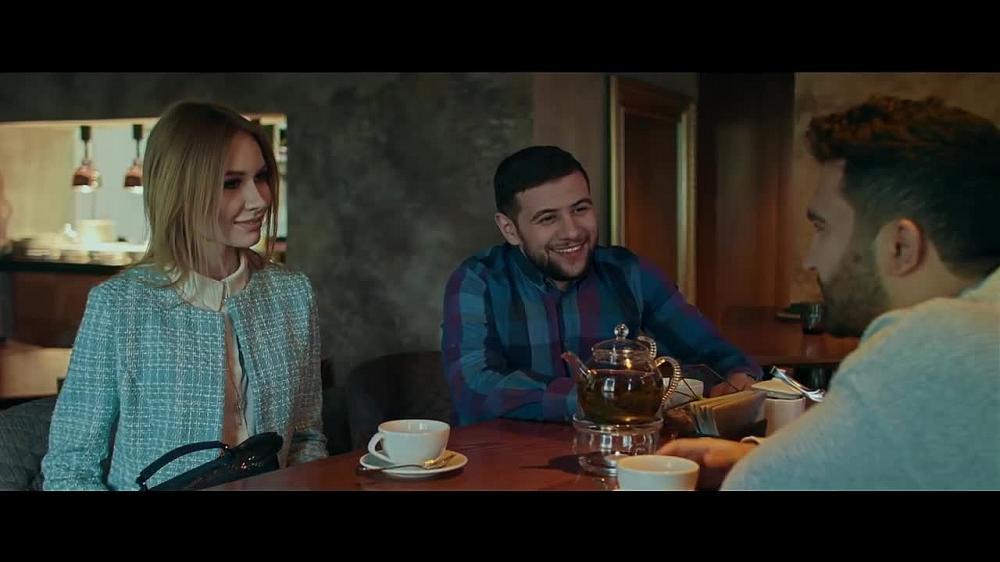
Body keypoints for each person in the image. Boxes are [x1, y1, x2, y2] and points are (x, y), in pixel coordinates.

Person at [659, 96, 1000, 490]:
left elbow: (756, 485)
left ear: (900, 246)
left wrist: (758, 469)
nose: (810, 259)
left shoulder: (934, 340)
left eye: (822, 228)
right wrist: (757, 456)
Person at [43, 100, 327, 490]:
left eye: (261, 177)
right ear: (180, 189)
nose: (260, 199)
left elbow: (307, 438)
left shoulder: (292, 294)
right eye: (232, 183)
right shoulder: (119, 306)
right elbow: (69, 468)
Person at [442, 145, 760, 425]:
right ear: (509, 229)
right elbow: (475, 389)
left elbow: (717, 355)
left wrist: (738, 376)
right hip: (507, 463)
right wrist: (602, 395)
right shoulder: (478, 281)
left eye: (580, 209)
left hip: (617, 456)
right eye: (548, 218)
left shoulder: (628, 272)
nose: (572, 231)